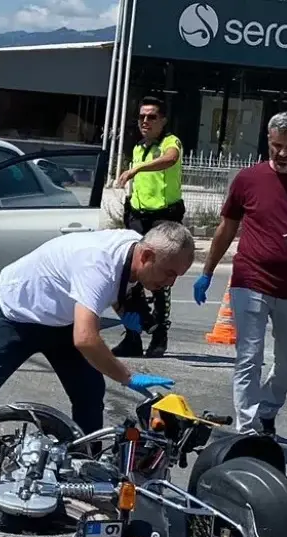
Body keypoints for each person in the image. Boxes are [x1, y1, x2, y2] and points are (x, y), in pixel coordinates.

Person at [0, 221, 196, 501]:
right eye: (169, 273)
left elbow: (115, 287)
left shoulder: (134, 248)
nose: (170, 283)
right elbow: (86, 338)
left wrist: (124, 309)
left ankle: (88, 465)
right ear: (146, 256)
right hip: (17, 313)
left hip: (62, 319)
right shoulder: (97, 263)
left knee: (89, 391)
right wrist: (127, 377)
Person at [192, 111, 287, 438]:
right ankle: (247, 431)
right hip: (250, 280)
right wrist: (207, 270)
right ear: (268, 142)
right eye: (277, 145)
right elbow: (227, 227)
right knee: (249, 356)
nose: (283, 153)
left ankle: (267, 409)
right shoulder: (248, 180)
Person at [111, 96, 185, 360]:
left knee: (159, 277)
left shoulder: (170, 142)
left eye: (151, 117)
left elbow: (169, 159)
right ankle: (133, 335)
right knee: (130, 275)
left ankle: (159, 336)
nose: (145, 121)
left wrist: (136, 169)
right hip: (138, 216)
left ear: (162, 120)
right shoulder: (139, 147)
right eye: (142, 116)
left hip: (163, 218)